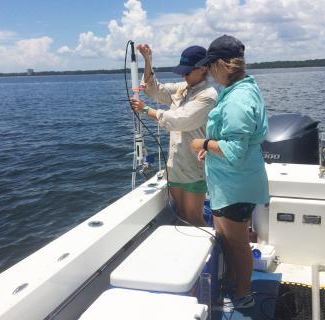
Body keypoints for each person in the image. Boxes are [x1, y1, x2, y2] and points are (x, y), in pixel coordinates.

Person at [191, 35, 269, 310]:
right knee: (230, 239)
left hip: (236, 185)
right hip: (230, 184)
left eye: (211, 66)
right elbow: (233, 140)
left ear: (222, 65)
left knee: (237, 245)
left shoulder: (237, 98)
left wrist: (204, 143)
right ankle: (237, 285)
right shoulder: (240, 88)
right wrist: (211, 149)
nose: (209, 72)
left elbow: (235, 151)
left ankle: (244, 295)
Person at [130, 44, 217, 227]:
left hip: (194, 167)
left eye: (187, 72)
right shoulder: (184, 87)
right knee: (181, 213)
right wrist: (148, 60)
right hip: (175, 164)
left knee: (194, 217)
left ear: (203, 69)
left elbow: (180, 120)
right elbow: (154, 90)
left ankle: (207, 252)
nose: (183, 76)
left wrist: (147, 110)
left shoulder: (208, 95)